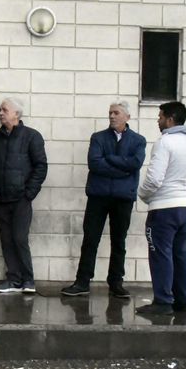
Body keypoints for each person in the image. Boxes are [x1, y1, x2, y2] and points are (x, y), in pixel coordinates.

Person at [63, 101, 147, 300]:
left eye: (116, 113)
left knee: (119, 241)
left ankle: (116, 282)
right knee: (90, 239)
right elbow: (94, 163)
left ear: (127, 117)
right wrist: (122, 169)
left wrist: (109, 159)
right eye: (110, 112)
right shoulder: (98, 137)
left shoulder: (138, 140)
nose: (112, 116)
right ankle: (82, 281)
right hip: (98, 196)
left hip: (123, 198)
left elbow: (135, 163)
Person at [137, 101, 186, 317]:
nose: (158, 120)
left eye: (161, 117)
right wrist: (180, 192)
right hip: (184, 205)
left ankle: (163, 301)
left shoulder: (164, 142)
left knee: (160, 253)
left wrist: (143, 195)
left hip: (163, 208)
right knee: (180, 254)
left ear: (170, 119)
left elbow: (154, 179)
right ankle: (183, 301)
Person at [0, 97, 48, 294]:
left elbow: (40, 166)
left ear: (16, 114)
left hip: (21, 198)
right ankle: (14, 279)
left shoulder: (32, 136)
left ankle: (28, 280)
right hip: (0, 198)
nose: (0, 113)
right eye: (0, 110)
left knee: (19, 238)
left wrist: (29, 193)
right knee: (6, 240)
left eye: (4, 110)